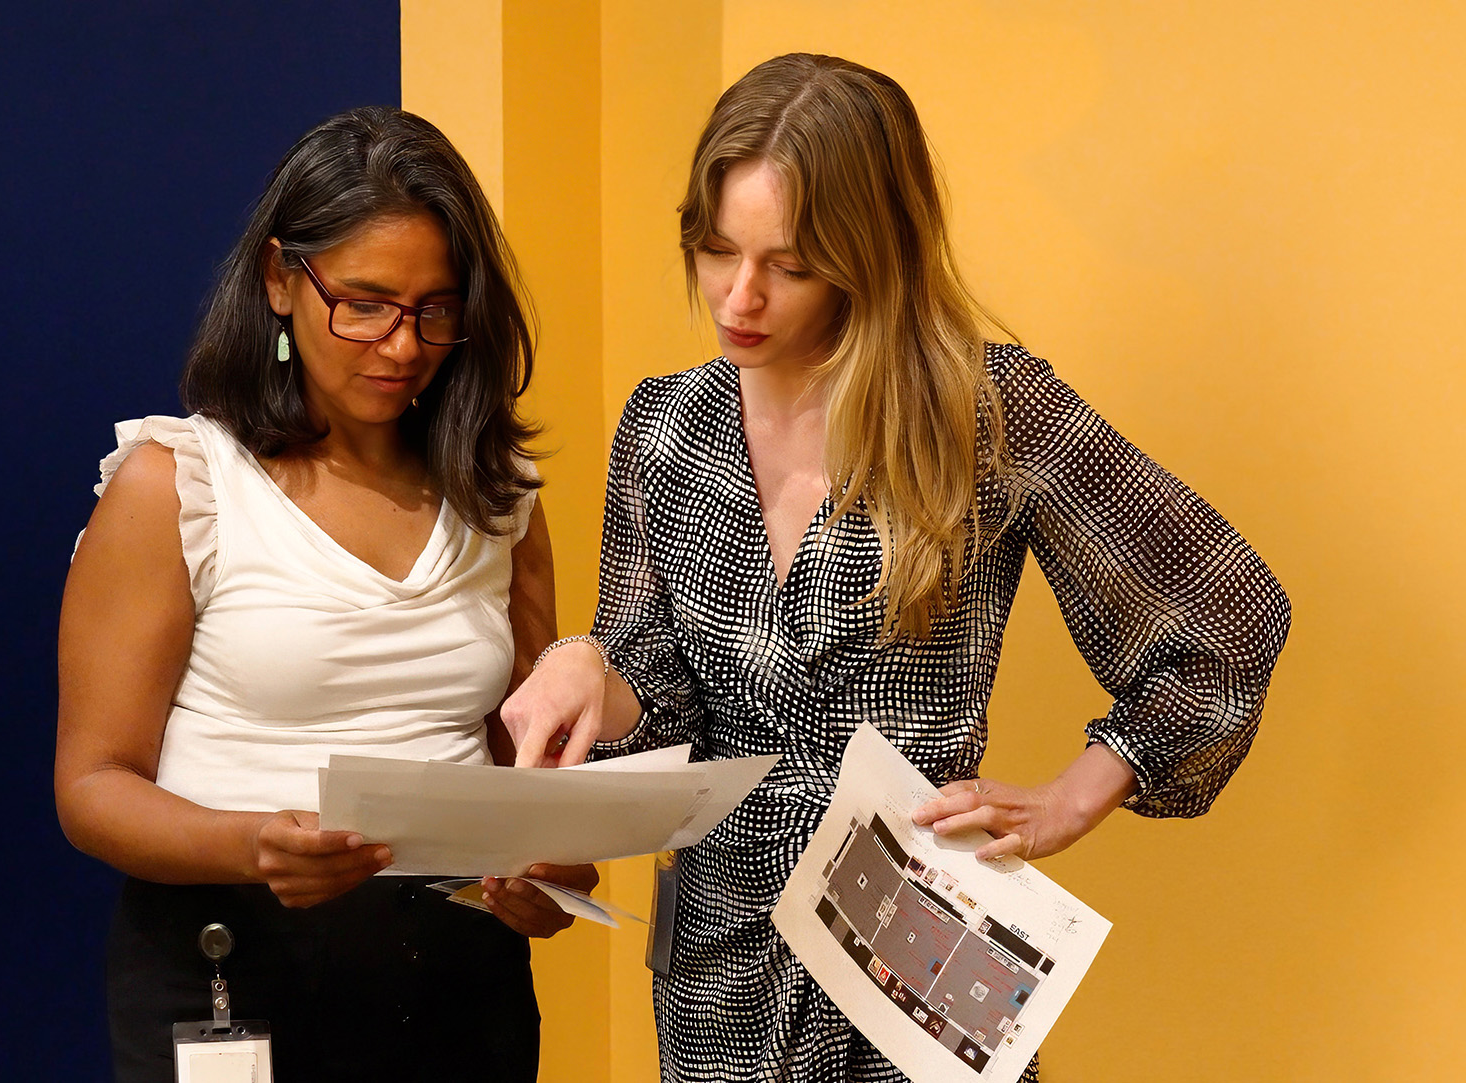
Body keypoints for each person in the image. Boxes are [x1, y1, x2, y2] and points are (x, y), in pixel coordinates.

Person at [501, 53, 1291, 1082]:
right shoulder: (664, 424)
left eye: (787, 266)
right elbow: (658, 701)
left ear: (869, 254)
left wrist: (1074, 795)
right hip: (719, 962)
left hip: (926, 939)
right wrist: (580, 666)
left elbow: (1228, 618)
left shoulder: (983, 413)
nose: (738, 297)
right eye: (713, 250)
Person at [55, 106, 595, 1083]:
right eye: (366, 303)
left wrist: (550, 872)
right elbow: (92, 789)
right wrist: (251, 844)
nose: (401, 346)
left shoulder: (496, 496)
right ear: (278, 279)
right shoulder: (177, 483)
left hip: (457, 983)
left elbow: (525, 769)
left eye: (437, 309)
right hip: (229, 968)